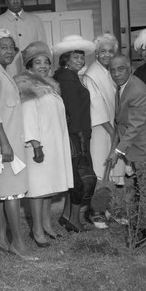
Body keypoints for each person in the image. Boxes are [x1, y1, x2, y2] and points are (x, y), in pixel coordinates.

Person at [0, 28, 35, 260]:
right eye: (3, 47)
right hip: (2, 143)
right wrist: (5, 144)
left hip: (9, 140)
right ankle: (17, 244)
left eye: (12, 47)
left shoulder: (0, 71)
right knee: (12, 194)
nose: (9, 51)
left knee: (4, 193)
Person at [14, 41, 74, 245]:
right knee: (38, 190)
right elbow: (27, 116)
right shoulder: (27, 85)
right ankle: (37, 230)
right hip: (38, 145)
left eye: (46, 62)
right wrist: (36, 144)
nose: (43, 66)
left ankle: (47, 225)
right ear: (29, 65)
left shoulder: (48, 84)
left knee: (48, 188)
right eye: (37, 62)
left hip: (53, 141)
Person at [106, 54, 146, 244]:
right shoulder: (123, 86)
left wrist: (117, 152)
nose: (116, 74)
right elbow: (120, 122)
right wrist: (115, 147)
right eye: (112, 70)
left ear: (129, 68)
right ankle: (144, 221)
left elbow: (134, 126)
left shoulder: (137, 90)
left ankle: (144, 232)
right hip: (136, 146)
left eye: (120, 69)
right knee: (141, 188)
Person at [53, 35, 95, 232]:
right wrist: (80, 141)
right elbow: (72, 113)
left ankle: (66, 216)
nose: (80, 61)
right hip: (76, 136)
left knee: (75, 178)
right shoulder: (67, 79)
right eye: (75, 58)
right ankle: (74, 220)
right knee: (80, 178)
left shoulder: (68, 76)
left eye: (81, 57)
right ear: (65, 59)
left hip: (77, 134)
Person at [82, 33, 125, 229]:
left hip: (115, 130)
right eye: (102, 51)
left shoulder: (112, 71)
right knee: (102, 171)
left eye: (110, 51)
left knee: (115, 171)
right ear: (96, 53)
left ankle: (110, 209)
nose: (107, 55)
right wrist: (112, 134)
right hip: (101, 131)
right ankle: (95, 212)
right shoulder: (92, 74)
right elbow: (96, 108)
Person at [0, 0, 47, 77]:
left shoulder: (35, 20)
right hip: (7, 72)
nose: (15, 1)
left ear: (22, 0)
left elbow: (43, 49)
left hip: (33, 73)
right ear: (6, 2)